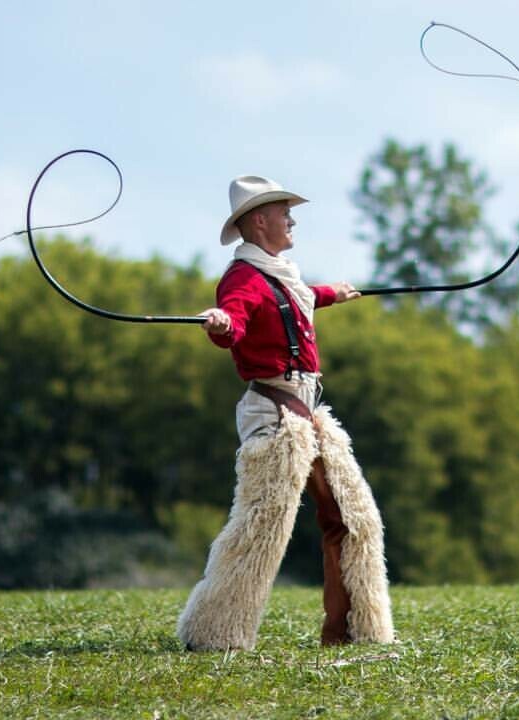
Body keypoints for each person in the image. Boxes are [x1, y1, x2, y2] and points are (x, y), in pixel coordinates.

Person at [177, 175, 394, 650]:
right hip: (275, 417)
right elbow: (235, 319)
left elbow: (298, 300)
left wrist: (333, 292)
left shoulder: (279, 276)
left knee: (352, 517)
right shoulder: (243, 278)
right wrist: (221, 324)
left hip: (306, 414)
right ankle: (212, 635)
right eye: (283, 212)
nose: (291, 218)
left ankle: (353, 631)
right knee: (260, 528)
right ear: (260, 220)